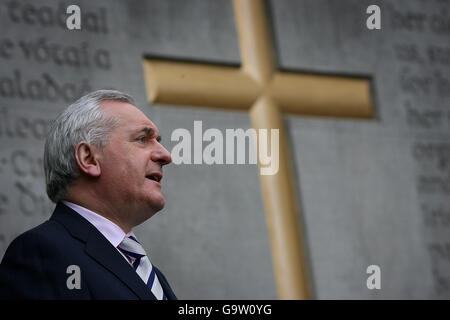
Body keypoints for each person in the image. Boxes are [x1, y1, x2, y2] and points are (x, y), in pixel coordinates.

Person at [0, 90, 176, 300]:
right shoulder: (41, 252)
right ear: (89, 159)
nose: (166, 155)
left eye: (158, 140)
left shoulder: (154, 277)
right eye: (142, 139)